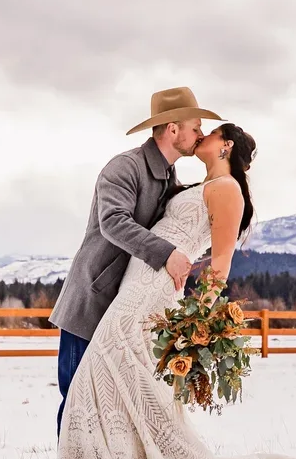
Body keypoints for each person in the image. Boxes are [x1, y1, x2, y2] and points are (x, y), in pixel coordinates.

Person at [54, 120, 296, 459]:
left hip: (153, 288)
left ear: (226, 146)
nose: (202, 135)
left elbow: (221, 264)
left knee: (101, 370)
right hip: (135, 281)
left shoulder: (227, 189)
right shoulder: (191, 183)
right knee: (116, 377)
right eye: (197, 128)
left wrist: (198, 318)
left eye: (209, 132)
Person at [47, 87, 219, 437]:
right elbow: (113, 222)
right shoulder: (124, 167)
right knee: (77, 396)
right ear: (173, 129)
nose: (200, 134)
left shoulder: (168, 176)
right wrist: (167, 254)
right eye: (196, 126)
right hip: (92, 302)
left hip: (124, 306)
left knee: (109, 401)